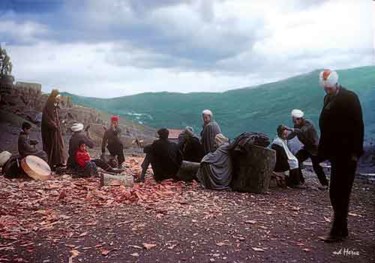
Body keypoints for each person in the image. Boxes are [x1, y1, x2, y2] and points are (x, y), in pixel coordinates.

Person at [318, 69, 364, 243]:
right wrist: (322, 153)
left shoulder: (350, 97)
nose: (327, 90)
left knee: (341, 192)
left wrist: (355, 152)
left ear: (336, 83)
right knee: (335, 192)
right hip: (335, 153)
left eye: (329, 87)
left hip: (347, 153)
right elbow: (327, 127)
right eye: (325, 88)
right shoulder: (328, 98)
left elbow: (358, 125)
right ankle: (342, 228)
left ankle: (337, 231)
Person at [285, 109, 329, 189]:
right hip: (307, 147)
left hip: (314, 148)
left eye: (295, 120)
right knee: (296, 160)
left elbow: (302, 131)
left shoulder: (308, 123)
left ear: (300, 119)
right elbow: (293, 134)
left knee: (316, 166)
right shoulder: (296, 126)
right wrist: (285, 138)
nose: (294, 122)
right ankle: (300, 181)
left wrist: (292, 129)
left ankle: (325, 184)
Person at [41, 89, 65, 170]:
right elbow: (46, 119)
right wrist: (53, 125)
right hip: (49, 132)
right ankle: (51, 163)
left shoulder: (54, 106)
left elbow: (55, 118)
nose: (57, 100)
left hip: (55, 130)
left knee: (58, 145)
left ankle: (58, 162)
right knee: (50, 146)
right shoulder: (48, 106)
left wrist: (57, 125)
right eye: (57, 98)